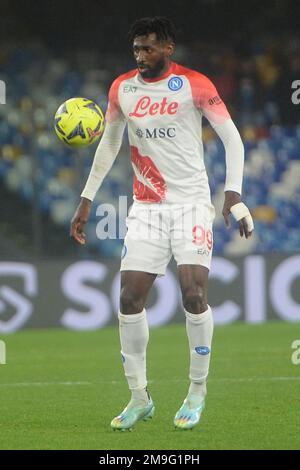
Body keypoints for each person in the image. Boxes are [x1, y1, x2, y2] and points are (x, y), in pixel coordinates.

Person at [70, 16, 254, 431]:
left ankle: (196, 390)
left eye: (148, 48)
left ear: (168, 48)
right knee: (129, 299)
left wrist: (234, 192)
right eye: (136, 49)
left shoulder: (196, 84)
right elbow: (111, 142)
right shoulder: (122, 88)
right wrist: (86, 200)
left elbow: (233, 139)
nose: (140, 56)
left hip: (190, 204)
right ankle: (139, 398)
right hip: (146, 209)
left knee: (193, 294)